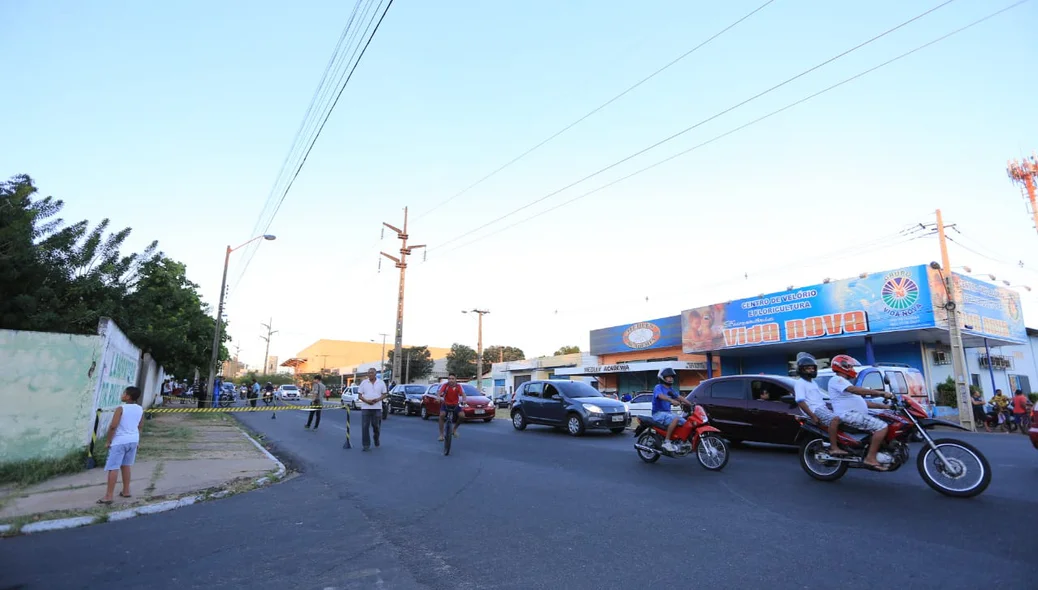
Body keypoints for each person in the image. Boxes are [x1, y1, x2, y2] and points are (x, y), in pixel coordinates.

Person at [827, 354, 894, 470]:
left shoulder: (845, 383)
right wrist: (881, 393)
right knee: (882, 427)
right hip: (847, 415)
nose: (852, 369)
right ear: (842, 366)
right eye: (850, 366)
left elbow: (864, 403)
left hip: (855, 414)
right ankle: (870, 458)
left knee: (885, 419)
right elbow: (854, 390)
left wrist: (886, 407)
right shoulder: (837, 380)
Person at [98, 386, 144, 504]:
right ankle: (126, 491)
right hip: (133, 440)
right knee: (126, 465)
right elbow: (140, 426)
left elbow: (113, 426)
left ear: (128, 396)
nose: (122, 395)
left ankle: (109, 496)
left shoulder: (121, 408)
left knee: (113, 467)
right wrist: (137, 441)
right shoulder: (140, 409)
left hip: (120, 441)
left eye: (124, 393)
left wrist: (108, 441)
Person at [792, 353, 839, 452]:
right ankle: (834, 447)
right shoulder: (800, 383)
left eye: (812, 368)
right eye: (808, 368)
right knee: (835, 420)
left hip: (822, 408)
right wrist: (812, 416)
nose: (811, 370)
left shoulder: (813, 383)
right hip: (815, 410)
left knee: (843, 419)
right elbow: (800, 401)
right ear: (801, 370)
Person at [651, 367, 692, 452]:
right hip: (658, 414)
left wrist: (691, 404)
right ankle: (667, 441)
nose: (671, 378)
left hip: (667, 413)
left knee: (686, 422)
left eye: (672, 377)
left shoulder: (671, 390)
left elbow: (679, 397)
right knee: (675, 418)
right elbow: (660, 396)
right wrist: (671, 400)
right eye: (668, 377)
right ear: (663, 377)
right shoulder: (658, 387)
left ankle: (682, 441)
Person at [357, 368, 388, 451]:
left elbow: (385, 394)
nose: (370, 374)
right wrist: (367, 401)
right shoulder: (364, 383)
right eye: (369, 373)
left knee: (376, 425)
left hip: (377, 408)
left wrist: (377, 400)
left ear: (375, 374)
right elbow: (359, 396)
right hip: (366, 407)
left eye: (372, 373)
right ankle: (366, 445)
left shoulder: (381, 383)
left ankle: (376, 438)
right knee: (365, 426)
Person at [437, 373, 467, 442]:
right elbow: (439, 392)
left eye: (452, 379)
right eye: (449, 379)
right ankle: (441, 435)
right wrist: (438, 397)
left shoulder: (458, 386)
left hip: (455, 405)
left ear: (455, 379)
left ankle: (454, 429)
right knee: (442, 415)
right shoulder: (445, 385)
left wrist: (464, 400)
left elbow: (463, 394)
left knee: (462, 416)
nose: (451, 380)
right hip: (446, 404)